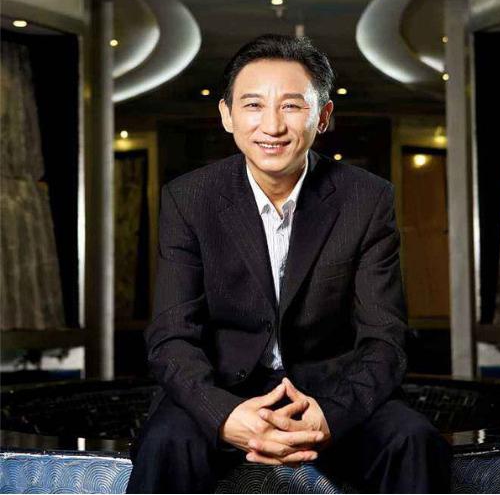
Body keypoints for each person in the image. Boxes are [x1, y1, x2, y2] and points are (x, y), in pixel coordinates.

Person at [126, 34, 451, 494]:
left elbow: (386, 338)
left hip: (330, 391)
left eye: (292, 106)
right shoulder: (190, 198)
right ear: (227, 115)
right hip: (222, 387)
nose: (272, 126)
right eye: (253, 105)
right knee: (166, 443)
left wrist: (332, 414)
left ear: (323, 116)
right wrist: (224, 414)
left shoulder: (366, 198)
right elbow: (171, 335)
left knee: (412, 439)